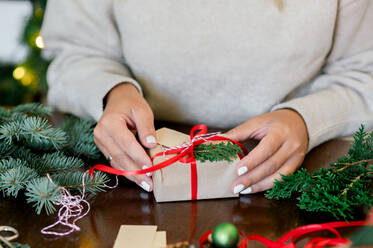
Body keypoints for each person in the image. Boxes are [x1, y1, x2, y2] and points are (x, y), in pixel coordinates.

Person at [41, 0, 373, 195]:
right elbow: (75, 53)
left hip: (303, 176)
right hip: (131, 171)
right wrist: (113, 93)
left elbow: (364, 73)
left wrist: (304, 119)